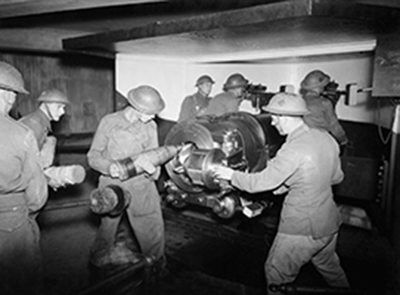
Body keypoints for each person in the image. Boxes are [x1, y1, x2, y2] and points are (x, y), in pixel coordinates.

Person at [213, 92, 350, 294]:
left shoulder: (293, 149)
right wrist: (287, 184)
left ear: (286, 118)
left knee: (276, 274)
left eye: (275, 117)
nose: (273, 123)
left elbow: (259, 183)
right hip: (328, 221)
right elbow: (336, 177)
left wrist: (231, 175)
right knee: (330, 268)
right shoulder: (325, 137)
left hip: (302, 228)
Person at [87, 85, 167, 273]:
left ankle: (156, 269)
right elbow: (93, 156)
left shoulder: (150, 126)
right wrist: (109, 167)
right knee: (107, 227)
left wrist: (153, 171)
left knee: (152, 227)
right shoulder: (110, 122)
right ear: (137, 107)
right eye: (150, 112)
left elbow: (155, 155)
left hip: (141, 185)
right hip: (112, 186)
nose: (154, 117)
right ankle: (98, 267)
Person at [0, 61, 48, 295]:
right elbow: (35, 192)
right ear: (8, 95)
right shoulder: (22, 134)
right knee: (22, 282)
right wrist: (30, 211)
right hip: (10, 219)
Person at [19, 88, 69, 169]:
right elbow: (25, 161)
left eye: (63, 108)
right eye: (59, 107)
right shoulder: (34, 125)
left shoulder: (40, 123)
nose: (62, 112)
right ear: (46, 104)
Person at [300, 70, 348, 146]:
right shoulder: (324, 103)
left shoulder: (299, 101)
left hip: (303, 140)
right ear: (320, 87)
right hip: (321, 141)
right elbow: (334, 126)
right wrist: (343, 140)